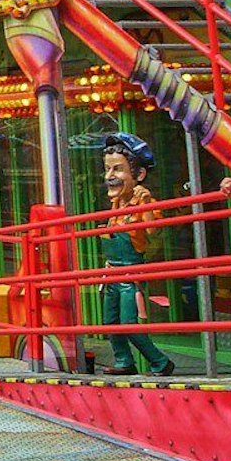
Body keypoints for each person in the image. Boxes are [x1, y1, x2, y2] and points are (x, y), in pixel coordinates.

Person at [98, 135, 176, 376]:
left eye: (118, 169)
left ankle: (160, 362)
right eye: (107, 169)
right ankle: (124, 361)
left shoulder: (144, 203)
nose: (110, 176)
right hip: (112, 272)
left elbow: (153, 231)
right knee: (110, 322)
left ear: (139, 175)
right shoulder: (116, 206)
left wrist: (145, 204)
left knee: (129, 323)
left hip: (130, 274)